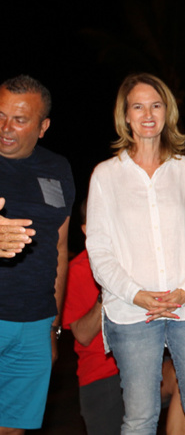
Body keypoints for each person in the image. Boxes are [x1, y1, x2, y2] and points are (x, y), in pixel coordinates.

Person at [86, 73, 185, 434]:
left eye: (156, 105)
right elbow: (99, 250)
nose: (148, 114)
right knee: (140, 416)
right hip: (132, 313)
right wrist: (138, 295)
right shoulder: (105, 176)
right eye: (138, 106)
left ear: (167, 112)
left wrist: (183, 291)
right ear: (126, 116)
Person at [63, 201, 185, 435]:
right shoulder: (77, 269)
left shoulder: (140, 262)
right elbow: (82, 335)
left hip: (146, 365)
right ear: (86, 230)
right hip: (103, 374)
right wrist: (109, 289)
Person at [0, 75, 74, 434]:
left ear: (43, 126)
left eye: (19, 119)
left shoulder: (58, 168)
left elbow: (60, 247)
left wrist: (54, 325)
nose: (5, 127)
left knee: (14, 428)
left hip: (35, 325)